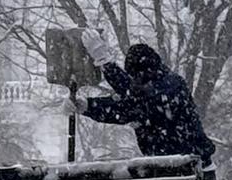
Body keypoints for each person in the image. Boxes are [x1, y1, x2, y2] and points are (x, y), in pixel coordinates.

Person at [74, 43, 216, 167]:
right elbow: (130, 101)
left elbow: (134, 104)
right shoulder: (158, 88)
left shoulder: (171, 87)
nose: (135, 81)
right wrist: (87, 105)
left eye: (136, 77)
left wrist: (105, 63)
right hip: (170, 166)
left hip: (193, 168)